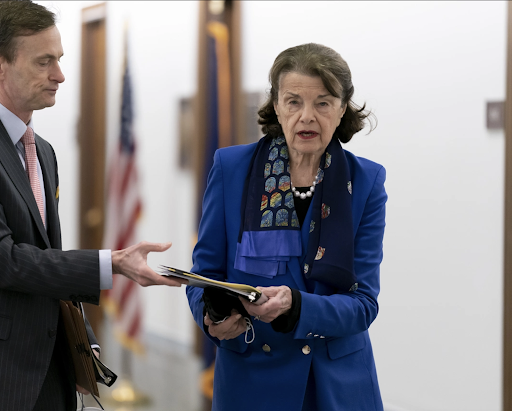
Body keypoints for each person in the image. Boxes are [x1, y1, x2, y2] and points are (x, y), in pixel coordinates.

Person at [0, 2, 185, 410]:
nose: (60, 75)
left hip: (53, 370)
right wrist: (110, 263)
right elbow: (7, 260)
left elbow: (46, 256)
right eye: (44, 62)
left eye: (60, 59)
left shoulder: (42, 152)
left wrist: (83, 338)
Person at [187, 42, 387, 411]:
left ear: (342, 109)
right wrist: (210, 315)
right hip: (252, 379)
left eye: (323, 103)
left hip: (336, 387)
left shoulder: (367, 182)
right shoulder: (232, 169)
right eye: (294, 101)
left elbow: (364, 304)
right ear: (276, 107)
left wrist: (298, 306)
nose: (307, 116)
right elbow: (204, 276)